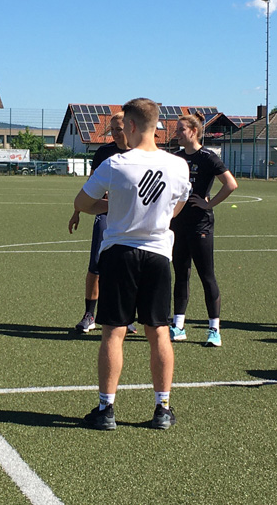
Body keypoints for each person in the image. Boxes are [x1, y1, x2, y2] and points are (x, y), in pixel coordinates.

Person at [74, 98, 191, 431]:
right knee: (159, 331)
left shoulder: (117, 164)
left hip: (120, 253)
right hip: (157, 254)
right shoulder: (178, 165)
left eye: (124, 124)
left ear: (133, 125)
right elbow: (177, 206)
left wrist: (115, 207)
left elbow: (82, 202)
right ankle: (162, 408)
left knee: (113, 331)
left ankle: (106, 409)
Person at [168, 112, 238, 346]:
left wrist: (209, 203)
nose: (176, 133)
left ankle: (214, 330)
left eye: (180, 129)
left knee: (206, 276)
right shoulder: (175, 158)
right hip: (177, 223)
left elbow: (231, 184)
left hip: (201, 224)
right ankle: (178, 326)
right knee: (181, 274)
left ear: (194, 132)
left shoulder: (207, 157)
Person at [68, 112, 130, 334]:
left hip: (130, 218)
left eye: (118, 129)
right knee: (96, 265)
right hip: (105, 214)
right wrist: (77, 211)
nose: (114, 133)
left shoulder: (142, 154)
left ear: (131, 127)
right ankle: (90, 314)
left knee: (127, 266)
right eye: (111, 129)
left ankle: (126, 315)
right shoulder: (104, 153)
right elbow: (90, 186)